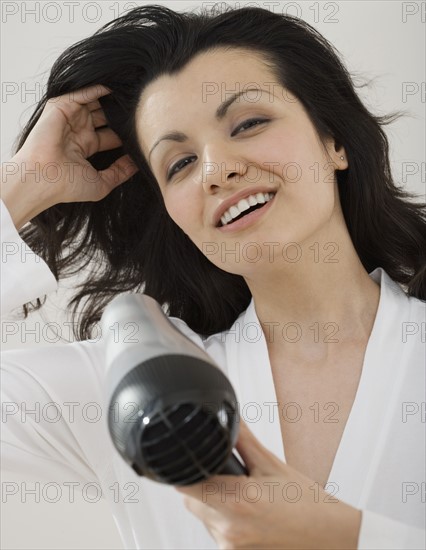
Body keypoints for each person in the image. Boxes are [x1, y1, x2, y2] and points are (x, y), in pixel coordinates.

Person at [1, 4, 425, 549]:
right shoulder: (133, 392)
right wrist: (22, 185)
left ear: (333, 141)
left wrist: (340, 536)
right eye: (178, 163)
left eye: (248, 124)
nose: (216, 169)